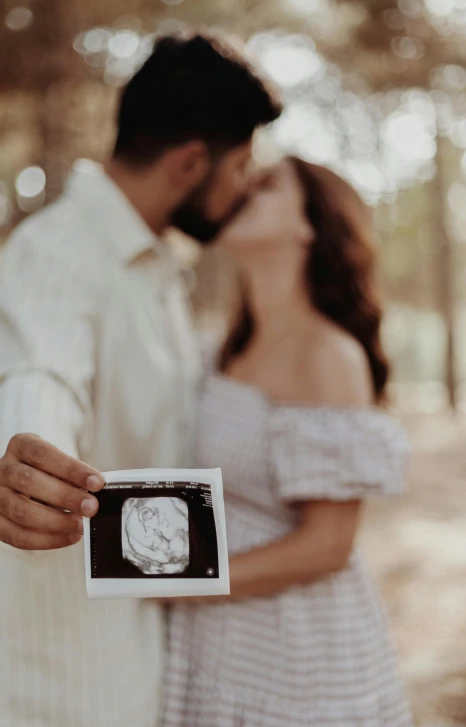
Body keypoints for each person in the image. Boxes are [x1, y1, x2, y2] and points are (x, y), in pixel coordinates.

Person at [0, 30, 281, 727]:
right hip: (49, 672)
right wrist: (17, 464)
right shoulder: (60, 251)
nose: (246, 186)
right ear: (192, 162)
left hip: (127, 648)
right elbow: (36, 376)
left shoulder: (157, 273)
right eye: (242, 165)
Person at [161, 158, 413, 726]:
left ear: (310, 226)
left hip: (297, 660)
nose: (242, 187)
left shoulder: (328, 355)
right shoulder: (223, 348)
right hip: (221, 641)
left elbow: (328, 545)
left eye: (268, 183)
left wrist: (178, 582)